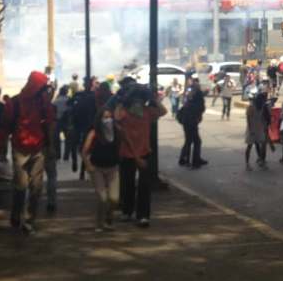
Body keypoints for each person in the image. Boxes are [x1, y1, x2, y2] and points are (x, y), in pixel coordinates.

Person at [3, 71, 55, 234]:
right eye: (42, 87)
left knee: (36, 187)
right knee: (21, 186)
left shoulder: (42, 101)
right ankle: (16, 215)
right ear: (34, 85)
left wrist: (51, 145)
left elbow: (49, 123)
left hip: (38, 149)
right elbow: (5, 128)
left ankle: (29, 219)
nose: (43, 91)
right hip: (20, 149)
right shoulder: (14, 103)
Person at [115, 84, 167, 227]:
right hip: (133, 153)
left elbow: (163, 111)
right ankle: (132, 212)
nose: (137, 102)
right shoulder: (133, 112)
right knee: (130, 185)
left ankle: (138, 214)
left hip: (140, 152)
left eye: (140, 99)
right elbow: (117, 116)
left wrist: (152, 99)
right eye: (135, 99)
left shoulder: (144, 112)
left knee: (140, 185)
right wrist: (152, 99)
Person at [81, 108, 119, 232]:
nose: (107, 120)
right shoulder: (94, 133)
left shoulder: (117, 131)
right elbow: (84, 151)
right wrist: (88, 166)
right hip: (97, 168)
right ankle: (99, 223)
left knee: (114, 198)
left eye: (109, 117)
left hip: (113, 167)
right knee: (102, 198)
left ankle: (109, 216)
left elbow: (126, 141)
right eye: (104, 118)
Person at [178, 78, 207, 168]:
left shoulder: (189, 92)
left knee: (188, 140)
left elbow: (184, 102)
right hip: (191, 120)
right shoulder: (197, 94)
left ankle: (183, 159)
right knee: (197, 141)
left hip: (186, 119)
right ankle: (195, 161)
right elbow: (201, 107)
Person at [245, 92, 270, 170]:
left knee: (262, 144)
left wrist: (264, 127)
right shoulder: (251, 107)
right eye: (263, 100)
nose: (264, 102)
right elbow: (248, 119)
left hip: (259, 128)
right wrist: (251, 130)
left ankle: (261, 161)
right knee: (249, 146)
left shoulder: (262, 107)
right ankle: (247, 164)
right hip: (252, 129)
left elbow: (262, 118)